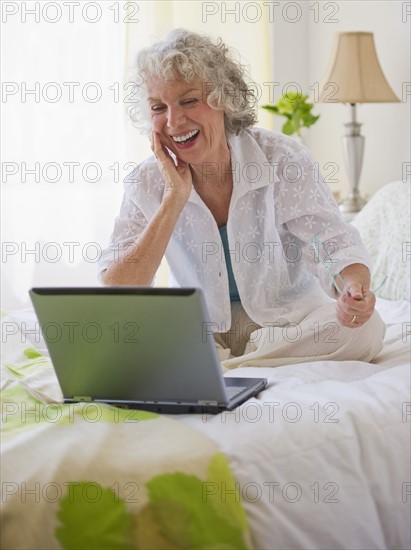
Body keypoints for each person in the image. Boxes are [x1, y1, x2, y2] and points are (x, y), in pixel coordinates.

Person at [98, 28, 385, 369]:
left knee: (367, 329)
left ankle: (223, 366)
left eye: (189, 100)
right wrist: (174, 198)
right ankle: (236, 359)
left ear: (224, 98)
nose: (174, 122)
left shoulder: (283, 159)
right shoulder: (146, 181)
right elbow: (119, 287)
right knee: (110, 332)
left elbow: (328, 243)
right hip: (200, 329)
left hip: (284, 322)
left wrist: (354, 290)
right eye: (159, 107)